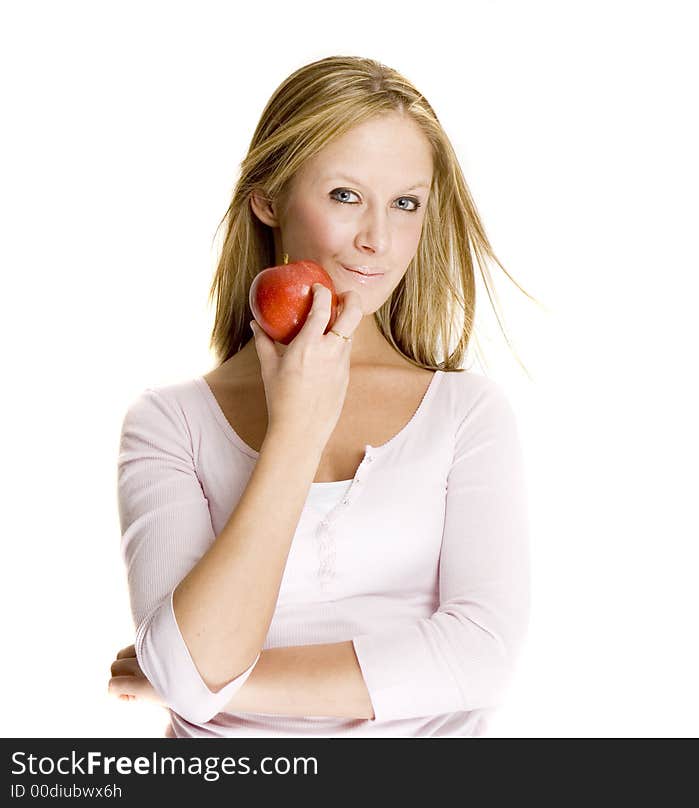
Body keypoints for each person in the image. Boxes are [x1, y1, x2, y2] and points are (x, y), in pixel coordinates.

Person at [108, 55, 534, 737]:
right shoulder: (170, 424)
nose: (377, 238)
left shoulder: (465, 416)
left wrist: (204, 684)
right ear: (269, 198)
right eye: (344, 195)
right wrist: (296, 432)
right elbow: (186, 674)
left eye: (405, 203)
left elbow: (480, 658)